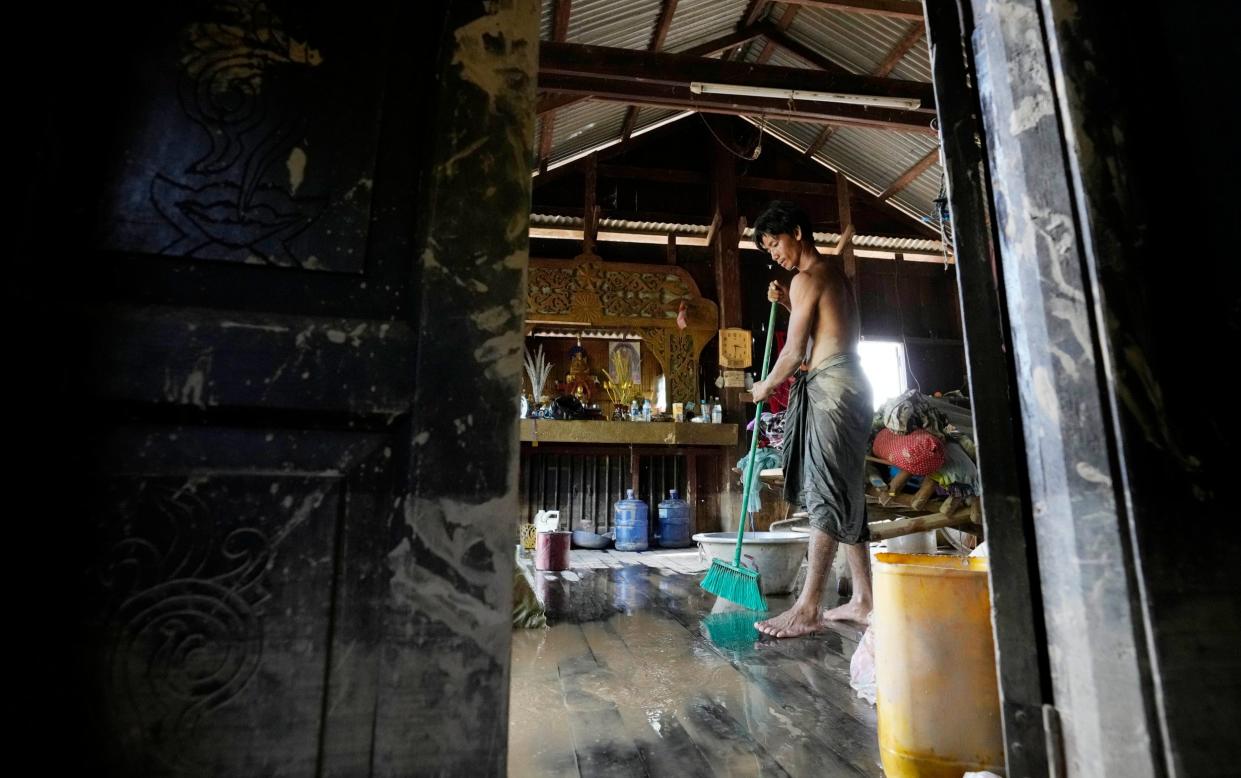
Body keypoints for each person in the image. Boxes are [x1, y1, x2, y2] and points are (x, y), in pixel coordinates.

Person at [748, 201, 875, 638]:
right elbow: (825, 333)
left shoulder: (805, 279)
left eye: (776, 243)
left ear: (797, 232)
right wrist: (787, 303)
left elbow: (795, 352)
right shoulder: (831, 272)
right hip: (854, 383)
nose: (774, 254)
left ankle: (808, 606)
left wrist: (764, 387)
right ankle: (864, 599)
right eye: (767, 249)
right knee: (846, 489)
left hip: (833, 389)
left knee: (825, 490)